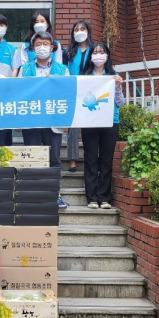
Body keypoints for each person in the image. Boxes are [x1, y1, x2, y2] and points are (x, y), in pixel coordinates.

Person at [18, 31, 70, 210]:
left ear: (52, 47)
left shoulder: (62, 70)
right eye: (38, 44)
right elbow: (19, 95)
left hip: (53, 121)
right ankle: (33, 194)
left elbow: (67, 94)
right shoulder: (24, 70)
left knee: (54, 158)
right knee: (32, 157)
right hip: (31, 120)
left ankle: (55, 194)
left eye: (45, 44)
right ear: (32, 48)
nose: (42, 47)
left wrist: (54, 82)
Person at [81, 41, 124, 209]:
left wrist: (118, 88)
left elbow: (120, 104)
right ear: (90, 56)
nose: (98, 56)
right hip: (90, 122)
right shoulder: (84, 76)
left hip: (111, 121)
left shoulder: (113, 75)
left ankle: (104, 198)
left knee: (106, 160)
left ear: (107, 56)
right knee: (91, 159)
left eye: (102, 52)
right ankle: (91, 197)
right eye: (95, 53)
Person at [63, 20, 94, 172]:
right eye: (76, 29)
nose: (79, 32)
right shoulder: (68, 51)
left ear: (88, 31)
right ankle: (73, 159)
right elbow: (63, 70)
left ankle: (90, 158)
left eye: (82, 29)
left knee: (90, 126)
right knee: (73, 126)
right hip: (73, 90)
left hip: (91, 91)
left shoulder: (95, 49)